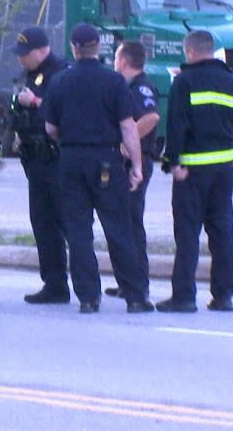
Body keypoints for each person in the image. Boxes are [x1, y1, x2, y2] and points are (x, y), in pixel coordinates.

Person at [42, 23, 154, 314]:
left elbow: (50, 127)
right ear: (98, 48)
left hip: (70, 160)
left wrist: (69, 139)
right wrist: (137, 166)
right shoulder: (114, 81)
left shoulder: (60, 81)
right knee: (119, 228)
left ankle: (88, 297)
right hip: (106, 159)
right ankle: (135, 296)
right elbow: (128, 127)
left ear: (74, 47)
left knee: (78, 231)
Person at [156, 30, 233, 313]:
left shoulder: (184, 81)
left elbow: (177, 124)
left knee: (188, 233)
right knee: (222, 232)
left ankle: (183, 296)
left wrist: (172, 162)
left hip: (192, 169)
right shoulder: (230, 81)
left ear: (190, 52)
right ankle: (223, 295)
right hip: (224, 168)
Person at [10, 26, 71, 304]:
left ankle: (84, 284)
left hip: (56, 158)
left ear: (42, 50)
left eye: (25, 54)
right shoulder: (32, 74)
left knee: (68, 223)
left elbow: (66, 110)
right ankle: (54, 284)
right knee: (43, 224)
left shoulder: (61, 72)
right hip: (34, 158)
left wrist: (34, 101)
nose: (21, 59)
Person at [105, 41, 159, 298]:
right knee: (121, 222)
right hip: (122, 163)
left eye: (116, 58)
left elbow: (151, 117)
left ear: (123, 61)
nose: (114, 62)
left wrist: (129, 144)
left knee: (131, 222)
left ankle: (139, 282)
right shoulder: (124, 86)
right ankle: (127, 281)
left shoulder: (141, 87)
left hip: (135, 163)